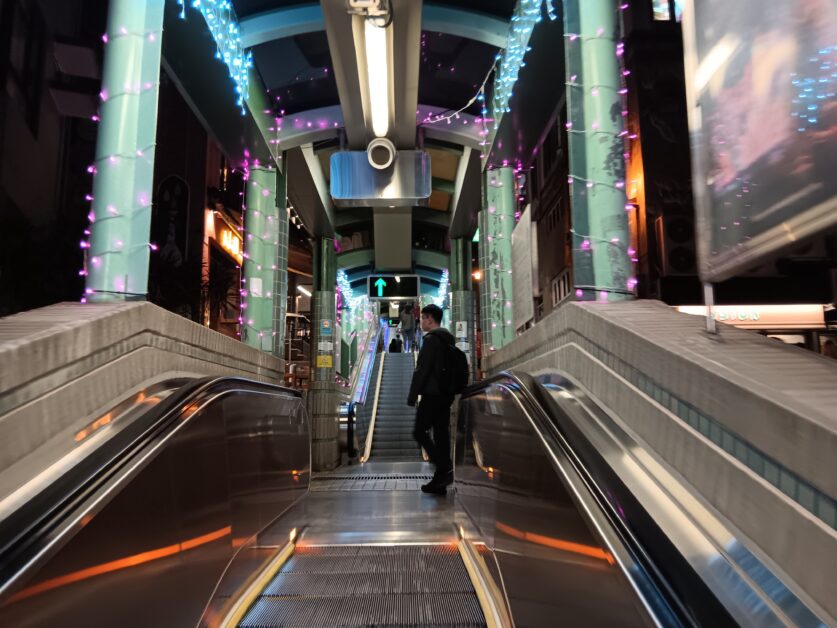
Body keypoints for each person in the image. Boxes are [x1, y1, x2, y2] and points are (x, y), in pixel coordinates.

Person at [407, 303, 455, 495]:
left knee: (419, 431)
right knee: (441, 435)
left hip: (432, 395)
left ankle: (444, 468)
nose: (421, 322)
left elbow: (423, 369)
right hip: (446, 395)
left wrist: (412, 395)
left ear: (429, 319)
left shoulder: (432, 340)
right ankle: (440, 482)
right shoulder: (448, 339)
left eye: (423, 318)